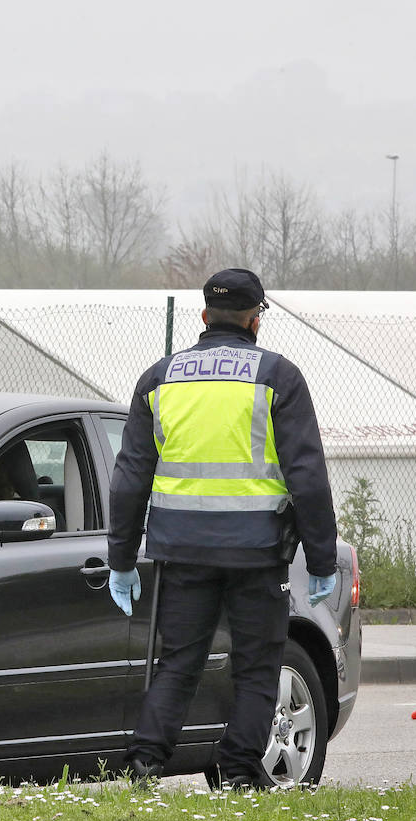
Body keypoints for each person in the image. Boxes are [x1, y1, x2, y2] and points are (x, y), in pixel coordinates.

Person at [106, 268, 338, 790]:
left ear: (205, 317)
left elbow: (129, 479)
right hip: (258, 553)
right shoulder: (278, 377)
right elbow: (306, 475)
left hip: (182, 553)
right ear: (256, 320)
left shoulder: (159, 379)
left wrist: (121, 559)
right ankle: (238, 768)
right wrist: (321, 560)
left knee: (179, 661)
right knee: (257, 667)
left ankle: (145, 761)